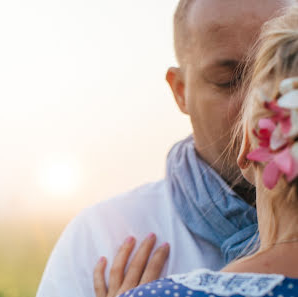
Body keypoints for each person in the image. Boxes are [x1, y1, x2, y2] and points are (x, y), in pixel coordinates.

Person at [36, 1, 293, 297]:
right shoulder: (101, 239)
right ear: (180, 91)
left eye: (279, 79)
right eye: (228, 80)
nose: (255, 108)